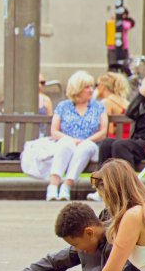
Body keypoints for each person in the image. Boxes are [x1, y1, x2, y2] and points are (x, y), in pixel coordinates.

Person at [0, 202, 140, 271]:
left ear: (89, 232)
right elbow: (51, 261)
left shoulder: (118, 240)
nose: (77, 249)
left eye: (77, 244)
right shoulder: (85, 245)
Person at [46, 71, 107, 201]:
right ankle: (53, 186)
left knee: (85, 147)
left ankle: (66, 186)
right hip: (68, 143)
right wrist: (73, 140)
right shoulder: (63, 106)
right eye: (87, 87)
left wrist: (84, 141)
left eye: (92, 86)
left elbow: (103, 131)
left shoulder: (98, 106)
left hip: (91, 145)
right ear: (77, 88)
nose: (91, 90)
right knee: (65, 143)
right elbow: (54, 131)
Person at [96, 72, 131, 137]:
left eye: (97, 85)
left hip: (115, 141)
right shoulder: (125, 101)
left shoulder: (106, 102)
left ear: (103, 86)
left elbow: (109, 131)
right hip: (129, 138)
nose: (96, 88)